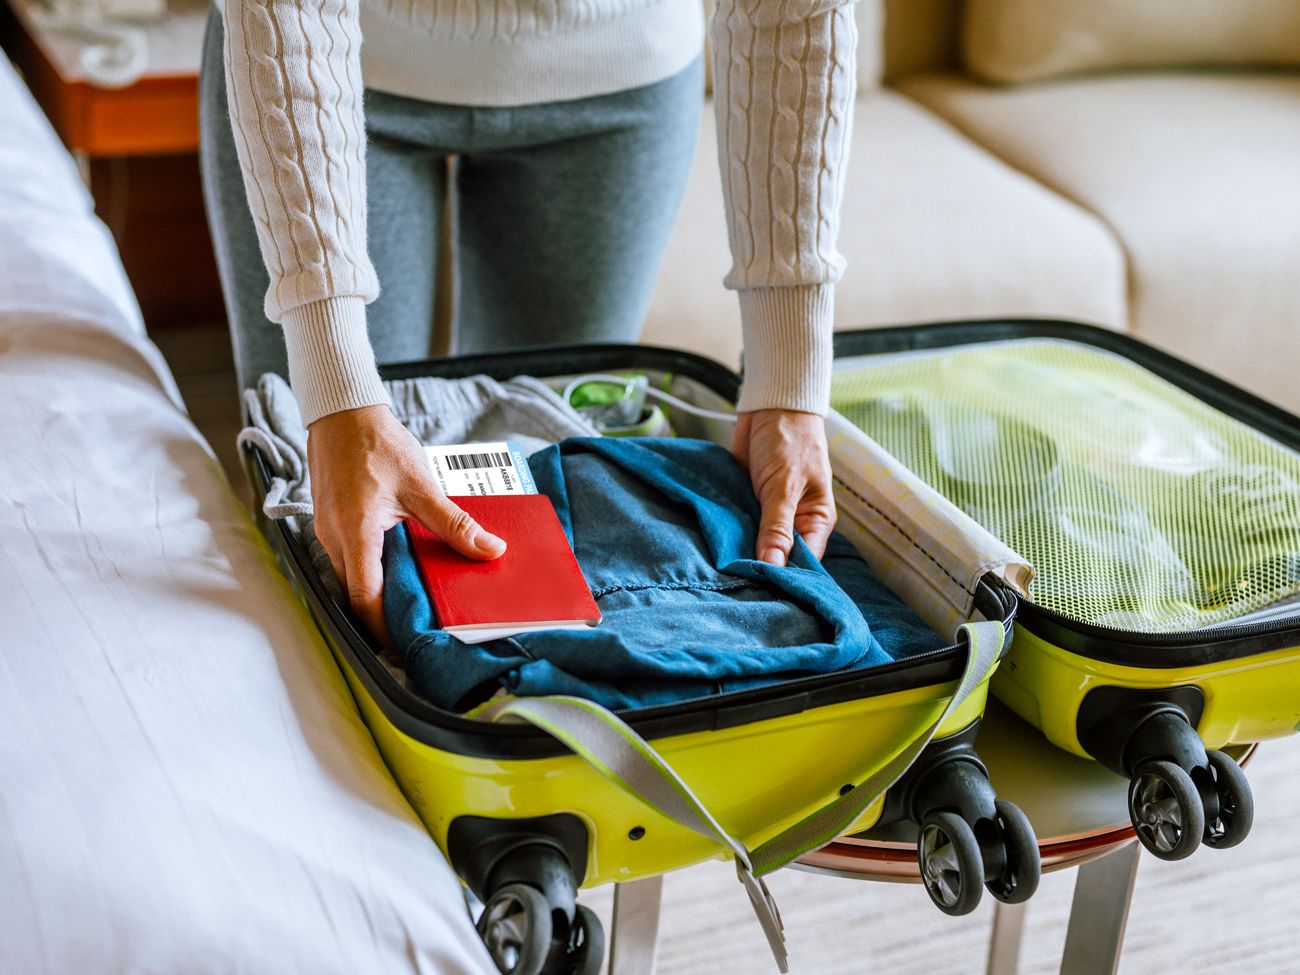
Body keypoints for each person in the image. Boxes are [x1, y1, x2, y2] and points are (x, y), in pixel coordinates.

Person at [199, 0, 858, 641]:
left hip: (619, 72)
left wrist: (789, 379)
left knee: (551, 533)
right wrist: (334, 380)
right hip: (321, 65)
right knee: (331, 540)